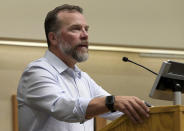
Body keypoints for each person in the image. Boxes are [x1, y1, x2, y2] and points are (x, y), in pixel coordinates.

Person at [17, 4, 150, 131]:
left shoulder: (83, 78)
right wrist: (112, 102)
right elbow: (64, 108)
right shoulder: (37, 71)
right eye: (75, 29)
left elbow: (117, 110)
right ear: (53, 38)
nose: (85, 35)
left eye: (86, 29)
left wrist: (153, 111)